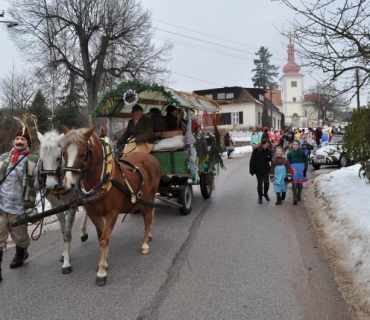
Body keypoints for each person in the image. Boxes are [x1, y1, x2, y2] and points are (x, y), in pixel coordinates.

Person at [0, 127, 39, 281]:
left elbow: (36, 184)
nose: (19, 141)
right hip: (2, 206)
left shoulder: (34, 161)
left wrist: (42, 181)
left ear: (28, 143)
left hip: (20, 208)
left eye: (23, 139)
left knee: (20, 237)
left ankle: (21, 254)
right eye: (17, 139)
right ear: (13, 141)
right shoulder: (3, 158)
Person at [249, 138, 272, 204]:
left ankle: (265, 194)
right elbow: (252, 161)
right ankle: (260, 197)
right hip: (258, 170)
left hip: (266, 169)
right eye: (265, 145)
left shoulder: (268, 151)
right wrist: (251, 170)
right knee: (260, 184)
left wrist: (269, 157)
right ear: (262, 144)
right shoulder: (256, 150)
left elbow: (270, 159)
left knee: (267, 183)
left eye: (267, 145)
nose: (266, 147)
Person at [287, 140, 308, 205]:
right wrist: (288, 172)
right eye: (294, 144)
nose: (295, 146)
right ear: (292, 145)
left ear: (299, 145)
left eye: (297, 144)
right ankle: (294, 199)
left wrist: (305, 168)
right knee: (294, 184)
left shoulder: (302, 152)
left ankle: (299, 194)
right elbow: (288, 163)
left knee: (300, 184)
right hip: (293, 170)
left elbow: (305, 160)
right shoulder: (289, 153)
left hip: (301, 169)